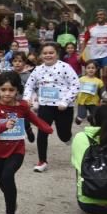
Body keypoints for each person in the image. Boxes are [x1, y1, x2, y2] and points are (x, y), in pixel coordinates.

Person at [0, 72, 53, 214]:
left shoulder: (22, 106)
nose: (7, 93)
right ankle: (11, 200)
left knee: (8, 176)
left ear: (17, 90)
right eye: (3, 90)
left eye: (11, 90)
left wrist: (46, 128)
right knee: (3, 185)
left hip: (16, 151)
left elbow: (33, 119)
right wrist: (4, 126)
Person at [24, 42, 80, 173]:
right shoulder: (38, 70)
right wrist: (27, 98)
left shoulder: (65, 67)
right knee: (42, 132)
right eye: (45, 53)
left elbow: (76, 85)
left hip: (63, 108)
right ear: (40, 55)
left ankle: (69, 139)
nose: (48, 55)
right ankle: (42, 161)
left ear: (57, 54)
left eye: (51, 53)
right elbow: (29, 86)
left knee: (63, 136)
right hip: (45, 106)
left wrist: (65, 101)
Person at [80, 9, 107, 101]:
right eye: (97, 15)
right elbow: (85, 41)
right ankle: (96, 95)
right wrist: (81, 53)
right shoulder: (91, 28)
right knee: (95, 76)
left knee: (105, 75)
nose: (99, 16)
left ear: (105, 16)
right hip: (94, 55)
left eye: (101, 15)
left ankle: (105, 95)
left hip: (106, 54)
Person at [75, 61, 103, 125]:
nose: (91, 69)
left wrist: (104, 97)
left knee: (95, 117)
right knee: (82, 115)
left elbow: (102, 90)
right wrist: (73, 95)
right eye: (88, 68)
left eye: (93, 68)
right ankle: (79, 118)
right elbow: (75, 88)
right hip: (82, 101)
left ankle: (92, 122)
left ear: (96, 69)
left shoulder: (99, 81)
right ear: (85, 69)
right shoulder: (81, 79)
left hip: (93, 102)